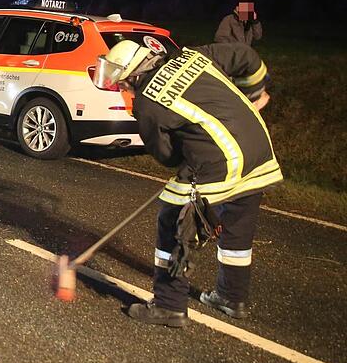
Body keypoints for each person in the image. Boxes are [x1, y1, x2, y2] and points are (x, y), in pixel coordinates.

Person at [93, 39, 280, 327]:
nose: (123, 90)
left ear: (133, 77)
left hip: (221, 162)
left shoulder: (148, 104)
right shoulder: (194, 56)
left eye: (122, 85)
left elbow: (167, 156)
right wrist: (254, 92)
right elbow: (244, 55)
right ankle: (232, 297)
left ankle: (168, 306)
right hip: (259, 150)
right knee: (237, 226)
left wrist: (186, 148)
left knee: (172, 217)